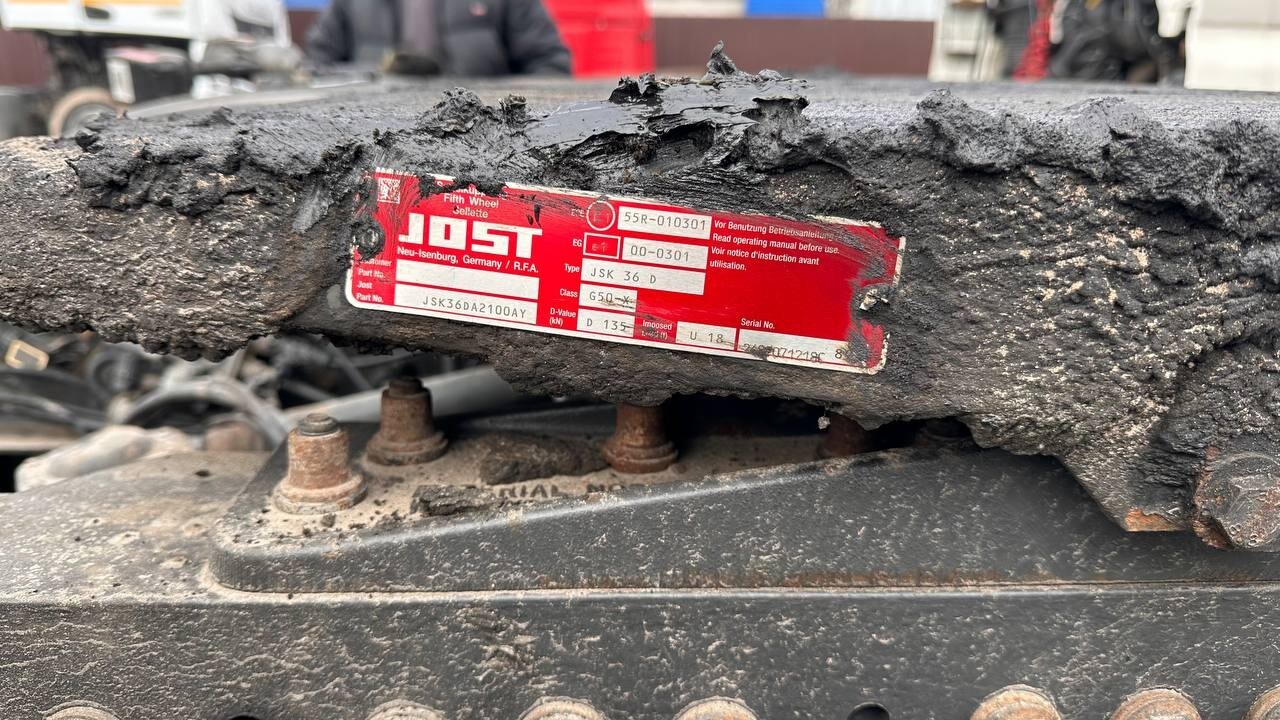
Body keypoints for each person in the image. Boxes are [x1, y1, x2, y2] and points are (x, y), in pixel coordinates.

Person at [305, 0, 571, 76]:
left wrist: (496, 116)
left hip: (479, 147)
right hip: (376, 145)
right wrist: (376, 76)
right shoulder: (350, 4)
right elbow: (316, 67)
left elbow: (550, 65)